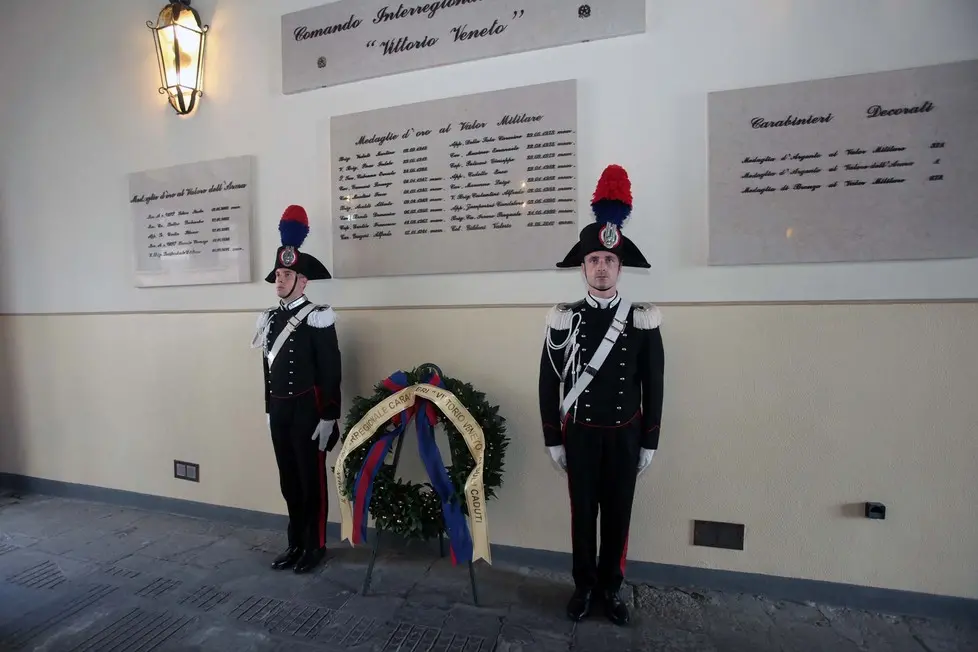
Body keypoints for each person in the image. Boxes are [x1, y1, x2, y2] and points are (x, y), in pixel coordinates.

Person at [538, 164, 665, 626]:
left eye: (609, 261)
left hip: (625, 435)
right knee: (581, 517)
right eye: (594, 260)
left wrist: (649, 440)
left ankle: (611, 588)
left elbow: (655, 383)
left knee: (617, 516)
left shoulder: (642, 319)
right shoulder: (563, 318)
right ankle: (583, 587)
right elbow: (548, 381)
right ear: (584, 267)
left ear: (619, 266)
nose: (601, 267)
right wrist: (554, 436)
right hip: (582, 436)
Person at [251, 204, 342, 574]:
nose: (280, 280)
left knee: (310, 481)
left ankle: (315, 546)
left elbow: (331, 368)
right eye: (278, 274)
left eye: (287, 274)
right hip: (281, 410)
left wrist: (329, 414)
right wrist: (269, 408)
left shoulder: (318, 316)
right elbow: (266, 368)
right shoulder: (270, 319)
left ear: (303, 281)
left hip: (309, 409)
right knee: (288, 480)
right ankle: (295, 543)